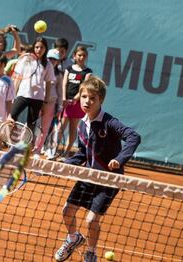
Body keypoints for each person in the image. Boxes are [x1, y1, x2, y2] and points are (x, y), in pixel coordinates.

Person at [54, 76, 141, 262]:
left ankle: (91, 252)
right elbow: (82, 154)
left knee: (91, 220)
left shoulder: (109, 122)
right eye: (84, 96)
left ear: (100, 100)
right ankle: (73, 238)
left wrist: (120, 159)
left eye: (92, 98)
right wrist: (65, 164)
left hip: (109, 181)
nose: (87, 101)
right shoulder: (82, 126)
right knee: (67, 211)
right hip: (88, 177)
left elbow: (134, 137)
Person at [11, 36, 55, 134]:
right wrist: (13, 95)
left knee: (31, 124)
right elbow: (18, 78)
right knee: (12, 115)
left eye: (42, 47)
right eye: (37, 47)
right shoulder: (26, 59)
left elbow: (48, 83)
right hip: (23, 94)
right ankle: (7, 138)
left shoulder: (48, 65)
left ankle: (27, 147)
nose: (39, 49)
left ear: (45, 49)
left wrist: (46, 101)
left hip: (37, 98)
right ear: (33, 48)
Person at [58, 46, 92, 161]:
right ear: (74, 56)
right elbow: (64, 84)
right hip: (66, 103)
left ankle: (66, 153)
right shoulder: (69, 69)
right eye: (79, 55)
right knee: (60, 128)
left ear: (86, 57)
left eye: (83, 55)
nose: (81, 57)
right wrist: (64, 98)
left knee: (73, 128)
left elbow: (83, 88)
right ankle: (53, 150)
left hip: (77, 104)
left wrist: (74, 100)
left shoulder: (88, 72)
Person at [32, 49, 63, 159]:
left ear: (58, 61)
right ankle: (26, 147)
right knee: (31, 125)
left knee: (44, 129)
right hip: (37, 101)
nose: (52, 61)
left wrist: (59, 106)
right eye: (50, 58)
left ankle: (38, 150)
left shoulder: (59, 75)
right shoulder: (39, 68)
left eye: (55, 59)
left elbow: (60, 92)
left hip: (50, 104)